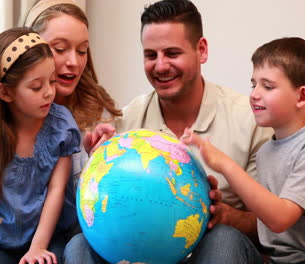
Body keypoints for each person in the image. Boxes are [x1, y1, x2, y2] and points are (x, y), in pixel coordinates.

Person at [66, 0, 271, 263]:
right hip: (145, 251)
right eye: (151, 55)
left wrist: (229, 216)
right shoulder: (127, 124)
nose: (160, 66)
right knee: (78, 246)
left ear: (202, 50)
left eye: (172, 53)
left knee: (223, 239)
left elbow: (279, 221)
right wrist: (94, 161)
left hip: (216, 249)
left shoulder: (249, 120)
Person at [0, 1, 121, 263]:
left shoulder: (96, 118)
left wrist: (96, 162)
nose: (73, 62)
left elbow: (100, 209)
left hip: (56, 237)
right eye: (59, 49)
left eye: (83, 50)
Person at [181, 37, 305, 263]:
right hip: (283, 261)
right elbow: (269, 229)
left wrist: (226, 165)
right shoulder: (266, 152)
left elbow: (280, 218)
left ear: (301, 96)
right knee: (222, 237)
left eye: (268, 86)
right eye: (254, 84)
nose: (254, 94)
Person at [0, 27, 80, 264]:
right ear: (5, 92)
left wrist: (38, 247)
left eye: (52, 81)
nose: (49, 93)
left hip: (45, 237)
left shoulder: (61, 126)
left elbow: (56, 191)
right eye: (36, 87)